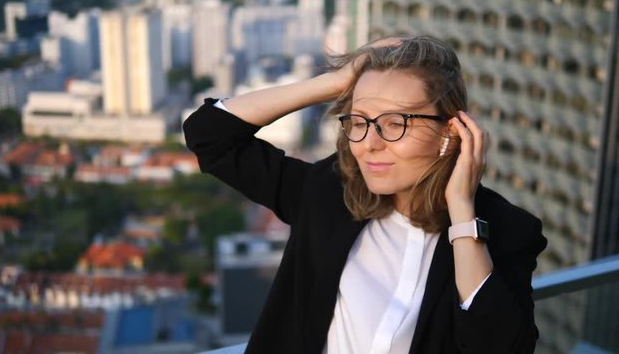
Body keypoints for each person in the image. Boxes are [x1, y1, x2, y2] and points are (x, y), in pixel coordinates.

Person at [183, 35, 547, 354]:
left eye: (394, 123)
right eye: (359, 122)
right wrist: (334, 82)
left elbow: (499, 346)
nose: (369, 144)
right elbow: (211, 136)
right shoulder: (330, 192)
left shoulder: (505, 230)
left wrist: (462, 213)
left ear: (451, 132)